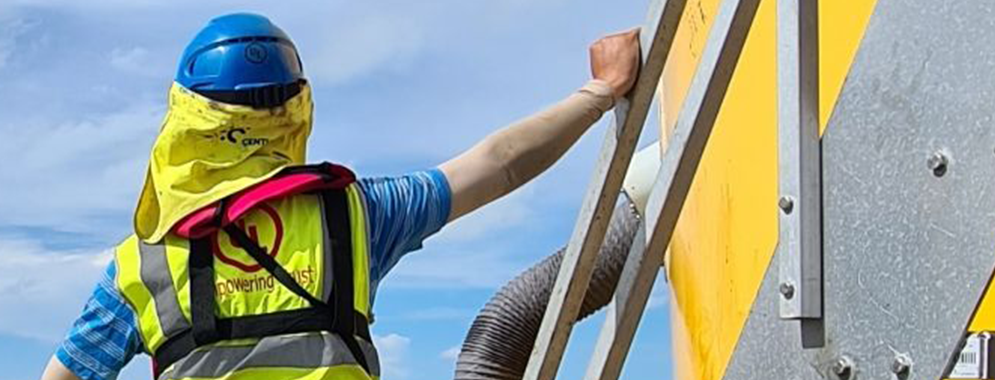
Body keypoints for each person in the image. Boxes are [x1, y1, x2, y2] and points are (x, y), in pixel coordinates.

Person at [41, 12, 641, 380]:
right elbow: (497, 165)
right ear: (295, 106)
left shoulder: (140, 264)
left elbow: (65, 377)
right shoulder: (355, 214)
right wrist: (599, 90)